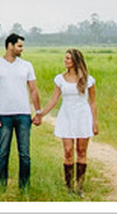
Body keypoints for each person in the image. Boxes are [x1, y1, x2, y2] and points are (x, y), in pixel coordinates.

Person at [36, 48, 98, 194]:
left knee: (81, 151)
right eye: (65, 58)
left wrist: (95, 123)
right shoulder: (60, 78)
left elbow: (93, 102)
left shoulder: (88, 80)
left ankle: (79, 187)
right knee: (68, 151)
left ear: (76, 61)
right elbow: (54, 100)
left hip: (83, 116)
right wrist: (41, 114)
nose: (65, 60)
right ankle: (69, 187)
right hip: (67, 116)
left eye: (68, 58)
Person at [0, 33, 42, 192]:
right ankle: (1, 187)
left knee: (24, 154)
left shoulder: (27, 65)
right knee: (3, 153)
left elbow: (33, 90)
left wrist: (38, 112)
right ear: (10, 46)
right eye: (19, 46)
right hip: (3, 115)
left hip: (24, 115)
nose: (22, 49)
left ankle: (24, 188)